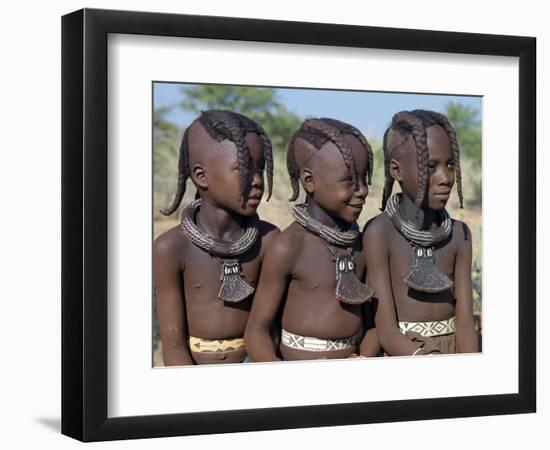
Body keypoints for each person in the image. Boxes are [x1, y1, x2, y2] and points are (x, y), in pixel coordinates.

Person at [245, 118, 380, 361]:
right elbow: (257, 330)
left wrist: (364, 359)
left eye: (364, 178)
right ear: (309, 181)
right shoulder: (289, 246)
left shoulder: (360, 243)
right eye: (349, 180)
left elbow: (373, 325)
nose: (363, 190)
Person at [154, 110, 279, 365]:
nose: (256, 181)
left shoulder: (269, 241)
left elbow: (272, 330)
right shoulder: (171, 248)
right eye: (243, 169)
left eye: (260, 169)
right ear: (201, 176)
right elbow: (173, 345)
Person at [363, 110, 478, 356]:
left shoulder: (460, 234)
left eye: (449, 165)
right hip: (403, 356)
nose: (445, 178)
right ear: (396, 170)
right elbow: (386, 329)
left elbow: (466, 322)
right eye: (430, 166)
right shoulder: (379, 233)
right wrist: (427, 363)